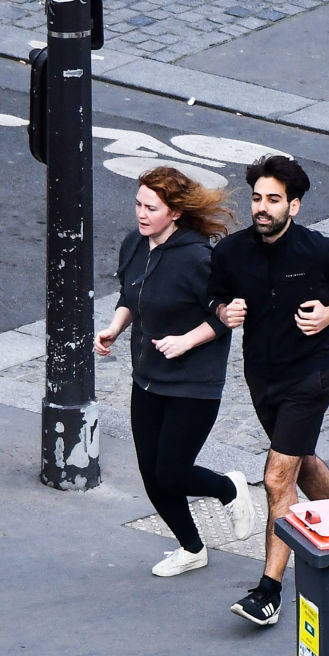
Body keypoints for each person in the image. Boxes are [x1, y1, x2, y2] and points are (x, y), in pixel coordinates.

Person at [209, 155, 329, 627]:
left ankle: (269, 591)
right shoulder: (231, 252)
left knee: (278, 476)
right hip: (262, 375)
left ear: (294, 206)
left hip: (312, 372)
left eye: (273, 200)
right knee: (301, 460)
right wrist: (223, 313)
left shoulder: (318, 250)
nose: (262, 208)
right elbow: (211, 292)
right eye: (258, 198)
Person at [95, 166, 254, 577]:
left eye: (151, 207)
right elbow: (132, 296)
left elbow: (226, 316)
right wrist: (114, 327)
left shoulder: (199, 258)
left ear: (175, 212)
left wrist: (186, 340)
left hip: (193, 383)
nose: (141, 214)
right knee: (152, 474)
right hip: (147, 377)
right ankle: (191, 547)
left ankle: (228, 487)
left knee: (172, 471)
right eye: (138, 204)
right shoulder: (134, 245)